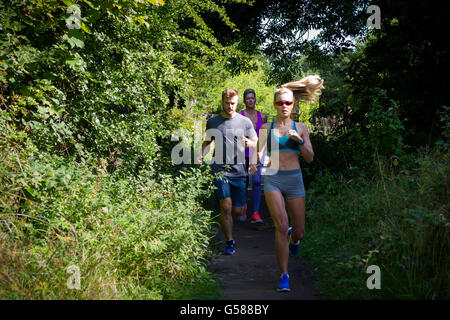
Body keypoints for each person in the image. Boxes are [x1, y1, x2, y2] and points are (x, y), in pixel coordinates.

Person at [250, 75, 324, 291]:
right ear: (275, 104)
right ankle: (284, 275)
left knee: (299, 231)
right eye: (280, 103)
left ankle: (295, 239)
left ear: (293, 104)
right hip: (272, 178)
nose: (284, 106)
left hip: (294, 180)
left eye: (288, 103)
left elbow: (310, 158)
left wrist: (300, 141)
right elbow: (259, 153)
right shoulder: (266, 128)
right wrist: (255, 164)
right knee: (280, 226)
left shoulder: (301, 127)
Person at [198, 88, 258, 255]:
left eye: (233, 103)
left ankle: (241, 209)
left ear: (237, 102)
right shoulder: (213, 122)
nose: (230, 106)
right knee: (225, 207)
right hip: (220, 171)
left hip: (239, 171)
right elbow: (207, 142)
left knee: (238, 211)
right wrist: (200, 155)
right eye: (227, 103)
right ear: (222, 102)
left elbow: (256, 142)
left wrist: (250, 144)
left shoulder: (245, 122)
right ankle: (230, 242)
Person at [239, 88, 267, 224]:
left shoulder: (263, 116)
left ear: (255, 99)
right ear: (244, 101)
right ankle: (243, 207)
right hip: (243, 153)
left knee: (256, 182)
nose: (250, 100)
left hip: (257, 153)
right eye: (248, 98)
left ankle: (255, 213)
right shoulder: (240, 115)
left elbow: (264, 136)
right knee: (243, 181)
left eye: (252, 98)